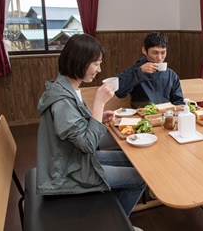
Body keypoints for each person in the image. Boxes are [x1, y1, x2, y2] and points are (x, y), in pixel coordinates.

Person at [36, 34, 146, 216]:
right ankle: (116, 224)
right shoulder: (62, 101)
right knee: (140, 179)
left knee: (132, 159)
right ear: (80, 61)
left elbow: (74, 128)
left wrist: (97, 117)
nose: (99, 70)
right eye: (96, 63)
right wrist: (99, 103)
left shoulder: (65, 88)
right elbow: (88, 145)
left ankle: (111, 216)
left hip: (71, 160)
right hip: (65, 175)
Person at [116, 31, 184, 108]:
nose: (159, 58)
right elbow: (119, 92)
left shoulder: (171, 75)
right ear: (144, 50)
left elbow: (179, 102)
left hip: (166, 116)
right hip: (142, 117)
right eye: (155, 53)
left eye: (163, 53)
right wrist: (140, 72)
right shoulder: (135, 70)